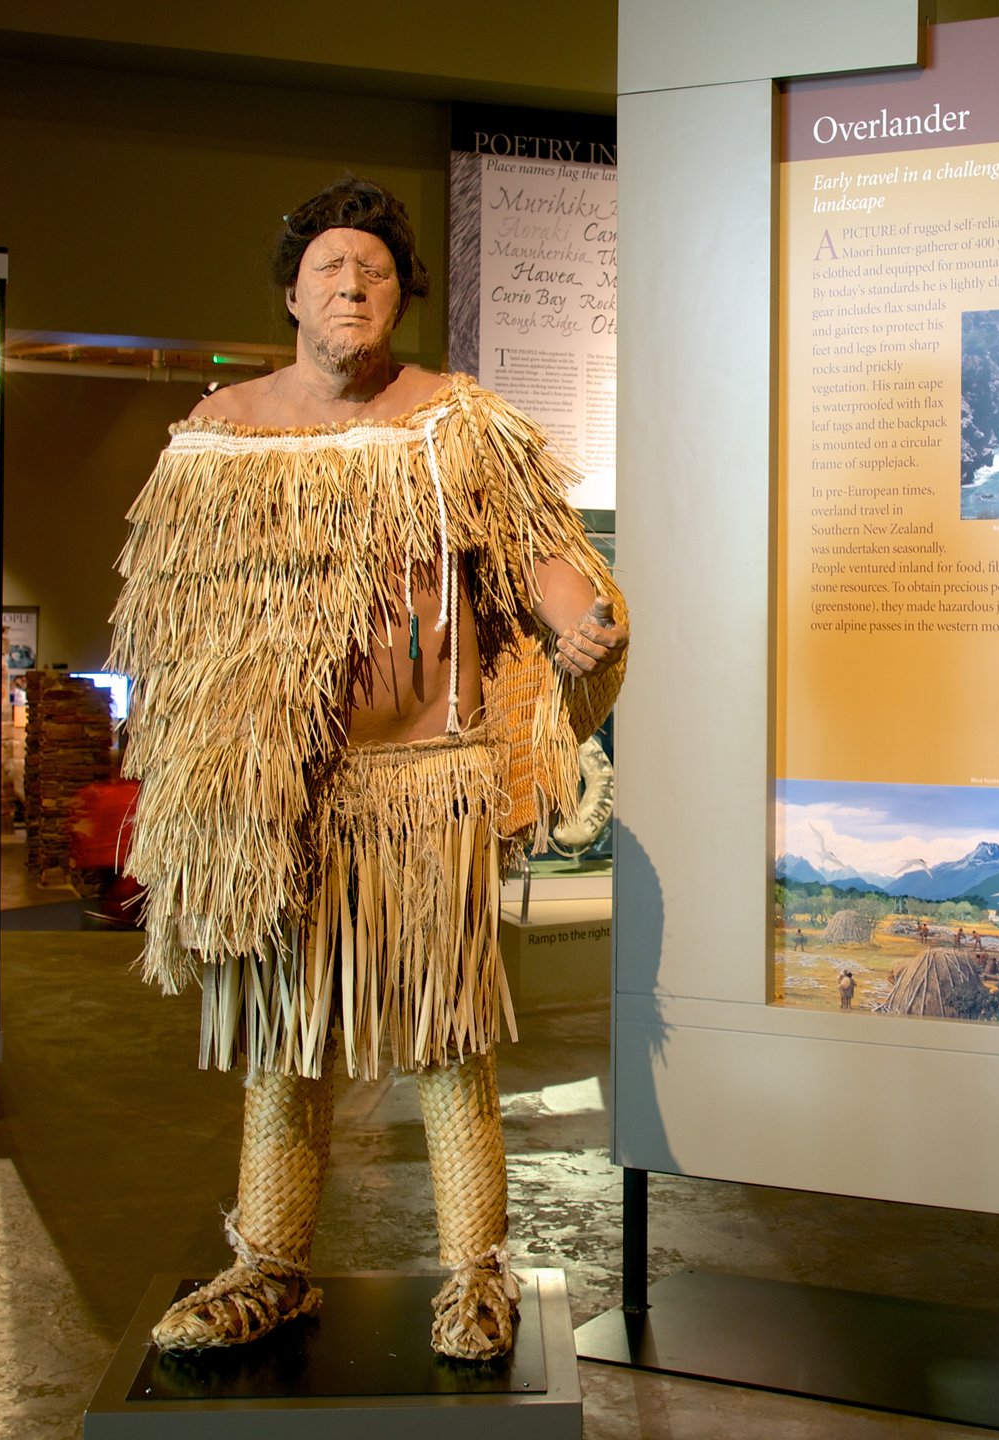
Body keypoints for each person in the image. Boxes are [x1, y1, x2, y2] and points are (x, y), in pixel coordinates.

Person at [110, 177, 626, 1361]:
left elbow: (544, 550)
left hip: (423, 782)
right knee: (284, 1040)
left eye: (377, 271)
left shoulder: (453, 422)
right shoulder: (223, 433)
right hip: (278, 794)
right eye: (332, 268)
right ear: (291, 290)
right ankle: (270, 1267)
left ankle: (476, 1276)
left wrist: (575, 620)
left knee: (446, 1038)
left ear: (403, 295)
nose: (353, 285)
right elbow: (173, 619)